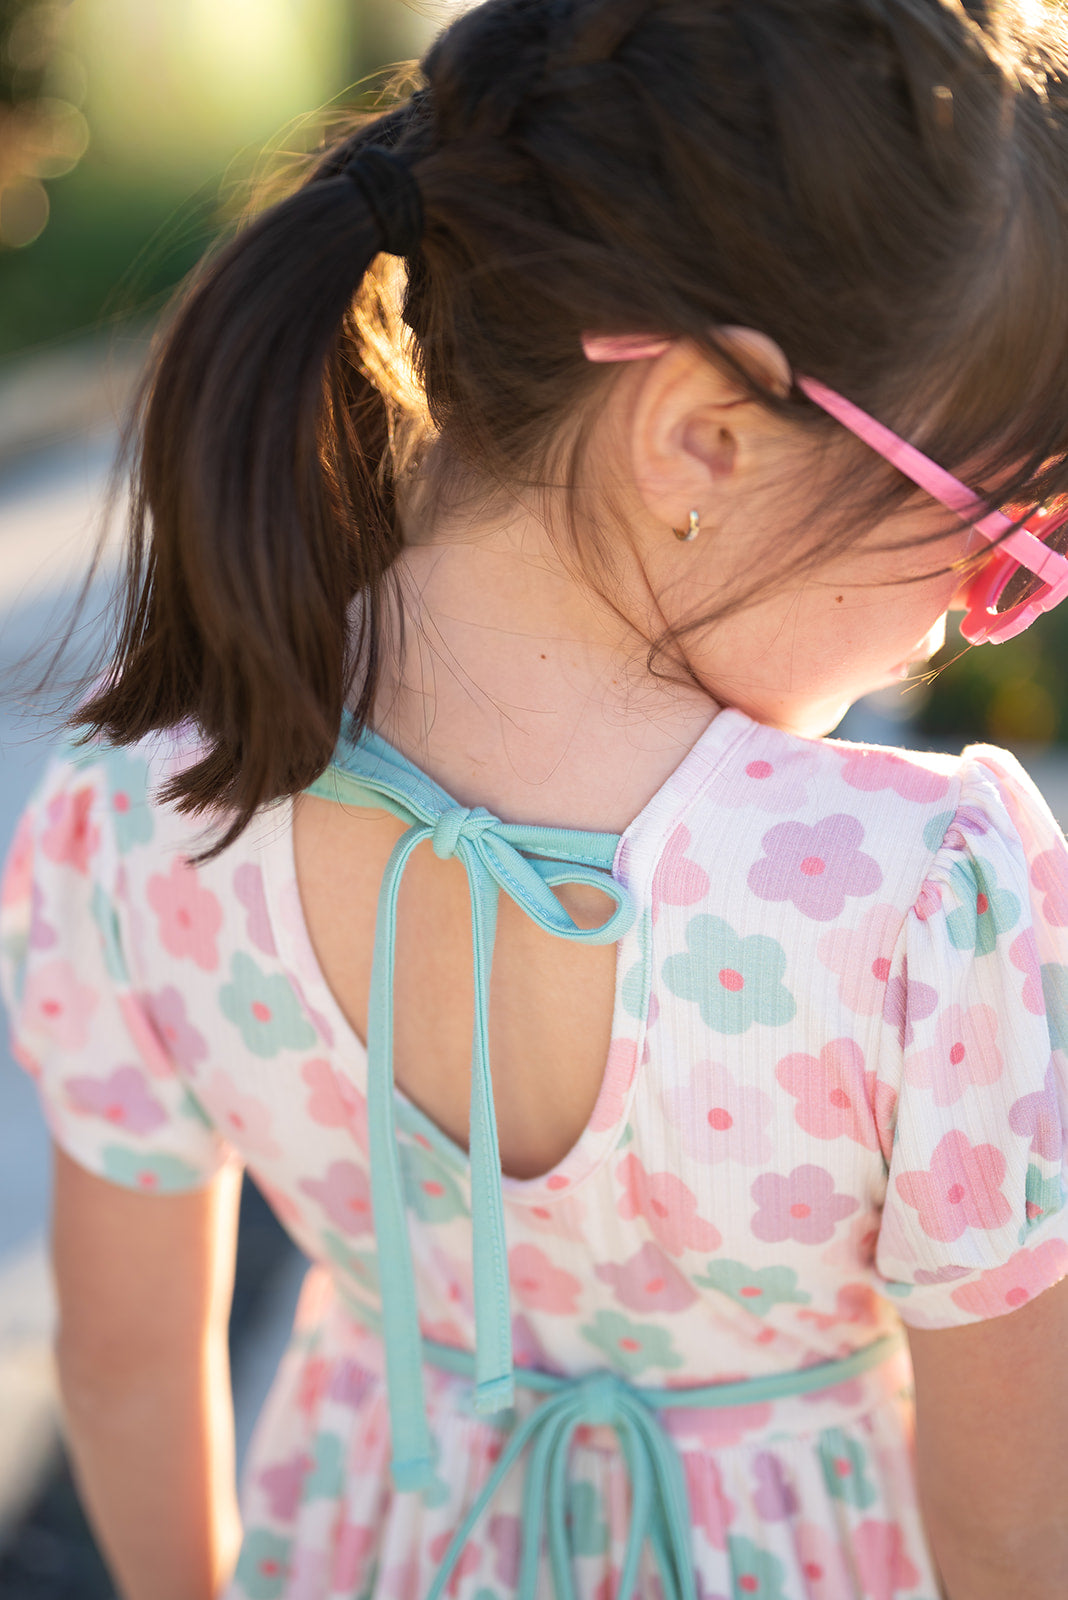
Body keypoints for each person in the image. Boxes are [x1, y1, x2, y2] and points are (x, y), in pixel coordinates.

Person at [4, 0, 1068, 1594]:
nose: (986, 608)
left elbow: (131, 1367)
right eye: (1005, 537)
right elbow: (1015, 1523)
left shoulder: (140, 811)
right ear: (704, 434)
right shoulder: (921, 903)